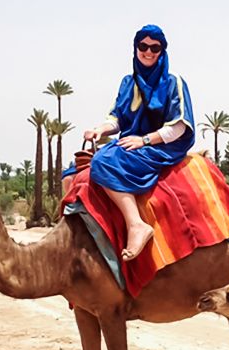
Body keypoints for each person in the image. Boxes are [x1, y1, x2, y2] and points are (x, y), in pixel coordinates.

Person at [81, 24, 195, 261]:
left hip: (161, 145)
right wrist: (98, 130)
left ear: (162, 51)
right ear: (135, 49)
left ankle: (136, 225)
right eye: (143, 46)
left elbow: (179, 126)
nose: (148, 52)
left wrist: (145, 140)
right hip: (132, 142)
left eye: (155, 47)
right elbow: (116, 119)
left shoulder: (174, 82)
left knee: (103, 162)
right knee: (73, 174)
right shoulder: (128, 82)